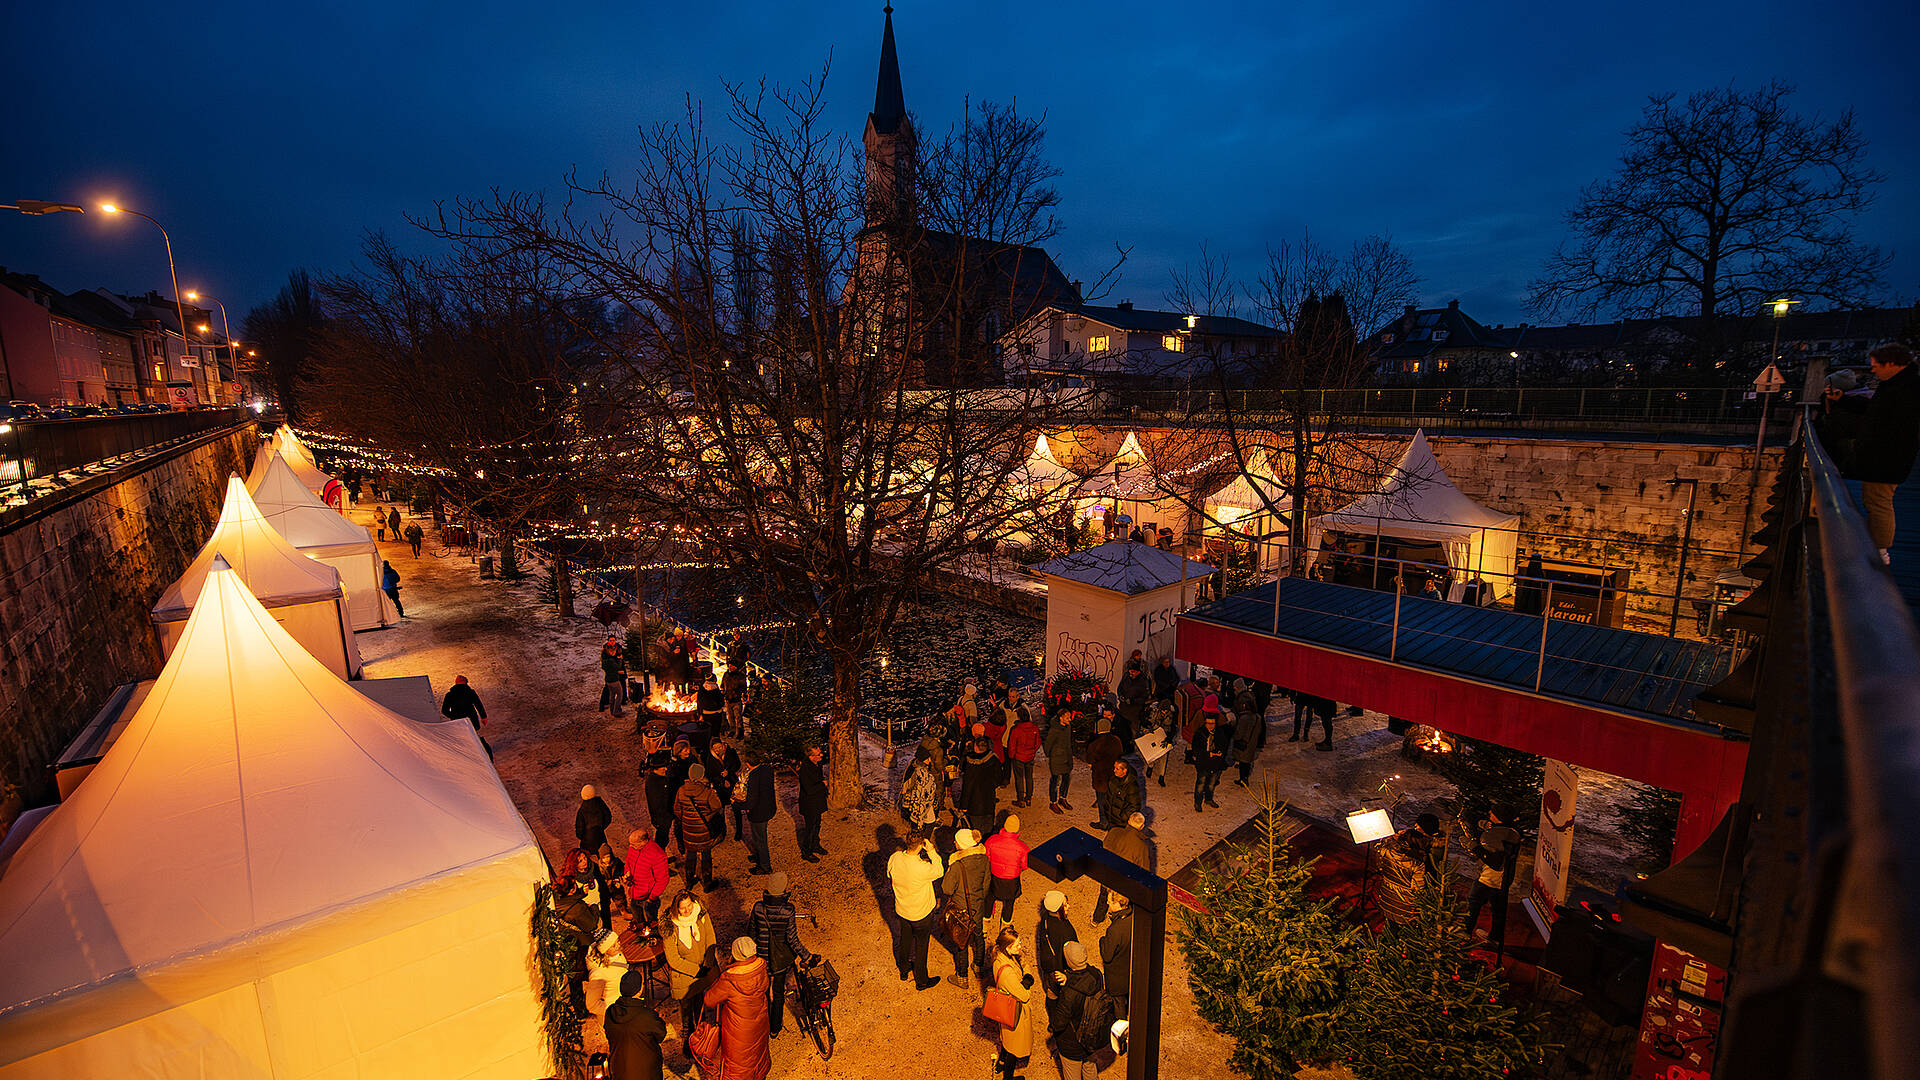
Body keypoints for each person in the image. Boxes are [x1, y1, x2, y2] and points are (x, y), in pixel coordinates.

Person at [1820, 342, 1920, 562]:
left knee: (1879, 502)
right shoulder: (1896, 385)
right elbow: (1875, 411)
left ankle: (1879, 552)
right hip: (1882, 457)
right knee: (1875, 501)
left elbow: (1897, 428)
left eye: (1876, 366)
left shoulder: (1907, 390)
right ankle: (1876, 547)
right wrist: (1843, 399)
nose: (1873, 370)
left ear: (1892, 363)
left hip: (1887, 459)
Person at [747, 873, 814, 1036]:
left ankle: (762, 1024)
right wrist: (806, 955)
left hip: (761, 959)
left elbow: (751, 934)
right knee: (778, 994)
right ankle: (775, 1027)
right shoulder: (788, 910)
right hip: (780, 961)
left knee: (762, 994)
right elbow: (792, 938)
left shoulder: (758, 907)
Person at [703, 938, 772, 1080]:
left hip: (738, 1031)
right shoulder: (761, 968)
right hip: (760, 1023)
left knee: (739, 1065)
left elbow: (709, 1000)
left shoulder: (729, 979)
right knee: (757, 1054)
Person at [887, 835, 945, 990]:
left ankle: (904, 970)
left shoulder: (895, 858)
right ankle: (921, 980)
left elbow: (889, 875)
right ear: (921, 845)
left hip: (902, 910)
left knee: (905, 939)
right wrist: (932, 851)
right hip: (921, 914)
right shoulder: (922, 867)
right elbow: (940, 871)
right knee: (921, 946)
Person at [1463, 806, 1522, 959]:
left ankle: (1464, 934)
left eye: (1492, 813)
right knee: (1498, 910)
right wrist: (1483, 824)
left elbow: (1495, 862)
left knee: (1473, 903)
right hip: (1505, 880)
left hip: (1489, 879)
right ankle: (1495, 938)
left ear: (1498, 817)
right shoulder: (1513, 832)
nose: (1489, 813)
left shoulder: (1492, 836)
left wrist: (1474, 847)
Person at [662, 891, 719, 1036]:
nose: (687, 910)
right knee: (686, 1009)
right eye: (683, 908)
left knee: (700, 1004)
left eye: (689, 906)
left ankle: (701, 1035)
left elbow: (710, 938)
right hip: (684, 977)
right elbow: (673, 959)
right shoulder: (671, 927)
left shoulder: (701, 915)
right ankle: (688, 1035)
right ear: (676, 909)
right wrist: (696, 970)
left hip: (702, 971)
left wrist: (708, 962)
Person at [941, 827, 992, 988]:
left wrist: (948, 872)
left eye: (956, 841)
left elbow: (947, 889)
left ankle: (962, 977)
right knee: (978, 936)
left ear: (962, 844)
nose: (954, 842)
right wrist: (978, 899)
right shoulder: (983, 859)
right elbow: (986, 884)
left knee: (961, 942)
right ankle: (978, 966)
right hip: (977, 906)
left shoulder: (957, 865)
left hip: (960, 910)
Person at [1050, 940, 1106, 1079]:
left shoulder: (1069, 993)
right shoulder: (1096, 974)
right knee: (1089, 1068)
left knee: (1072, 1074)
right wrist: (1069, 978)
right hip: (1093, 1036)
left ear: (1069, 962)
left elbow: (1059, 1023)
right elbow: (1083, 983)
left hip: (1072, 1045)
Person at [990, 925, 1038, 1080]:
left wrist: (1025, 973)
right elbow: (1024, 995)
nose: (1021, 946)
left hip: (1006, 1010)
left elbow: (1023, 961)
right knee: (1014, 1049)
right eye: (1017, 944)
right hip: (1015, 1013)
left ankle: (1001, 1063)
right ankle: (1008, 1077)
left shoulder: (1002, 956)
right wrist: (1028, 980)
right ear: (1008, 947)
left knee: (1007, 1041)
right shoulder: (1007, 973)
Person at [604, 966, 667, 1080]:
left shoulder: (610, 1012)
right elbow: (661, 1033)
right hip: (646, 1072)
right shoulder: (646, 1015)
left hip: (620, 1070)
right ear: (639, 990)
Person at [1093, 812, 1153, 923]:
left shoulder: (1114, 831)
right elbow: (1144, 869)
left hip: (1107, 874)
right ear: (1142, 826)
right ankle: (1117, 925)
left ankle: (1097, 919)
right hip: (1123, 881)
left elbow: (1103, 848)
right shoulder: (1142, 846)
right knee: (1120, 905)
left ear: (1129, 821)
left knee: (1103, 897)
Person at [674, 762, 723, 890]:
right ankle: (707, 882)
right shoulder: (706, 791)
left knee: (690, 854)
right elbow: (717, 806)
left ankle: (689, 881)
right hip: (704, 830)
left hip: (688, 830)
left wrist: (687, 820)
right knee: (706, 854)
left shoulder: (681, 790)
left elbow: (677, 810)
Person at [984, 814, 1030, 923]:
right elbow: (1025, 865)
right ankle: (1005, 924)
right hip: (1012, 880)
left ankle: (985, 922)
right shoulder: (1022, 847)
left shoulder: (992, 840)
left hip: (994, 876)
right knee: (1009, 902)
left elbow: (987, 857)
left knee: (990, 898)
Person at [1035, 891, 1078, 1002]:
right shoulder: (1066, 930)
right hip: (1060, 970)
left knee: (1051, 993)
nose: (1069, 906)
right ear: (1058, 909)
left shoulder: (1045, 918)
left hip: (1049, 967)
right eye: (1065, 905)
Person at [740, 754, 777, 876]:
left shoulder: (754, 776)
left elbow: (752, 799)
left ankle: (765, 866)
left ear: (748, 764)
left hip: (758, 812)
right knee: (758, 836)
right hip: (768, 808)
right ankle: (758, 856)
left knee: (760, 839)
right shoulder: (767, 769)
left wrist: (741, 805)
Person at [961, 724, 1000, 837]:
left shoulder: (970, 762)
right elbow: (999, 778)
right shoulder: (993, 759)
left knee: (975, 832)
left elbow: (967, 785)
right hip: (988, 801)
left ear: (976, 747)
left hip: (974, 804)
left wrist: (964, 805)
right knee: (988, 829)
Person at [625, 829, 670, 927]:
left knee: (652, 924)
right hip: (634, 893)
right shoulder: (634, 848)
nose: (630, 846)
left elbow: (663, 879)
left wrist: (652, 898)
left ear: (643, 842)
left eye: (633, 844)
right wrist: (627, 872)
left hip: (648, 898)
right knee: (638, 922)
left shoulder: (657, 854)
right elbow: (628, 861)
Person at [1100, 893, 1134, 1020]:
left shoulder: (1115, 930)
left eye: (1110, 902)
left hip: (1117, 978)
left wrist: (1102, 940)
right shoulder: (1132, 918)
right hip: (1129, 971)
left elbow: (1107, 955)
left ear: (1119, 905)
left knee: (1118, 1006)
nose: (1107, 903)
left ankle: (1122, 1034)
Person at [901, 737, 944, 836]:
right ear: (924, 759)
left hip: (914, 801)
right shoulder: (922, 773)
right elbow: (926, 790)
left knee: (917, 822)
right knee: (930, 822)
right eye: (928, 758)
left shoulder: (913, 765)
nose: (930, 760)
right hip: (922, 803)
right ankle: (923, 841)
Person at [703, 736, 743, 842]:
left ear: (722, 745)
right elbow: (710, 774)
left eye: (719, 747)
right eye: (715, 748)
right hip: (720, 787)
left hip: (732, 784)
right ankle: (722, 831)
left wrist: (728, 772)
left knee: (736, 808)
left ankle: (739, 831)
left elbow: (737, 765)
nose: (717, 750)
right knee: (721, 810)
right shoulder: (710, 758)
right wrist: (721, 780)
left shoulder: (731, 752)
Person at [1086, 718, 1123, 829]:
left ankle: (1104, 822)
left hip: (1101, 777)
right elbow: (1120, 754)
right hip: (1115, 775)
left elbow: (1089, 761)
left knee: (1102, 800)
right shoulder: (1116, 741)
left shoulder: (1095, 744)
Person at [1191, 709, 1231, 812]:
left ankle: (1208, 799)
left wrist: (1220, 753)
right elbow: (1196, 750)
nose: (1210, 725)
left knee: (1211, 784)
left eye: (1212, 723)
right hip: (1203, 764)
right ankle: (1198, 802)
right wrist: (1209, 754)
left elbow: (1224, 745)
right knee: (1201, 784)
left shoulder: (1220, 733)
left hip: (1216, 764)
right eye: (1208, 723)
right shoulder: (1199, 733)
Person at [440, 674, 489, 756]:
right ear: (465, 682)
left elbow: (444, 710)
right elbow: (478, 705)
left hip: (458, 721)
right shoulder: (470, 692)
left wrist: (454, 716)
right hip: (471, 719)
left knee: (462, 737)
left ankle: (466, 754)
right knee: (473, 737)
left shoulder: (449, 695)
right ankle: (479, 753)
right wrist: (483, 717)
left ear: (456, 683)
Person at [796, 744, 828, 861]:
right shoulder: (805, 769)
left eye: (821, 752)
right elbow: (809, 789)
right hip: (809, 804)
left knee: (817, 824)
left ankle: (815, 845)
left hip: (817, 801)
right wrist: (823, 784)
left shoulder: (816, 764)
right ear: (811, 757)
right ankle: (806, 851)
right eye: (818, 754)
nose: (821, 755)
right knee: (810, 828)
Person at [1006, 707, 1041, 809]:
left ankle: (1020, 799)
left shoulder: (1016, 730)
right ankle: (1029, 797)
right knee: (1029, 777)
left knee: (1019, 778)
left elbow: (1012, 745)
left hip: (1019, 757)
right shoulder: (1034, 728)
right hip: (1030, 756)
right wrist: (1033, 751)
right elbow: (1038, 742)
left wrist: (1011, 756)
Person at [1043, 707, 1075, 815]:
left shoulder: (1068, 727)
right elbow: (1047, 745)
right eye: (1067, 717)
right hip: (1057, 759)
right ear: (1061, 718)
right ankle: (1053, 802)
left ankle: (1062, 798)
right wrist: (1051, 754)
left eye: (1069, 717)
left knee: (1066, 778)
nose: (1069, 719)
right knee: (1055, 781)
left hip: (1066, 757)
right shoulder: (1054, 730)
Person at [1098, 759, 1142, 837]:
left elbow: (1135, 806)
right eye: (1114, 768)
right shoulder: (1113, 777)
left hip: (1121, 823)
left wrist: (1122, 817)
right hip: (1111, 818)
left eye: (1117, 769)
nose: (1114, 770)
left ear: (1124, 771)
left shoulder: (1131, 786)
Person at [643, 753, 676, 853]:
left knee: (663, 838)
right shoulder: (653, 783)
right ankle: (658, 857)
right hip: (661, 818)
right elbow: (656, 803)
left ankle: (660, 856)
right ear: (656, 769)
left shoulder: (660, 778)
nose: (666, 769)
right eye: (663, 767)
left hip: (664, 817)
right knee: (661, 840)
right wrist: (667, 816)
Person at [593, 844, 629, 928]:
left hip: (616, 886)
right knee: (604, 901)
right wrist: (605, 882)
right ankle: (603, 914)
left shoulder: (616, 862)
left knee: (620, 898)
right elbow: (599, 878)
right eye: (604, 858)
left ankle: (623, 911)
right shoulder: (599, 867)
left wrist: (620, 878)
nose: (607, 859)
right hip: (606, 887)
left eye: (608, 857)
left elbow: (621, 870)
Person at [1231, 694, 1263, 786]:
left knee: (1243, 763)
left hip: (1243, 744)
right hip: (1252, 744)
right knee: (1247, 762)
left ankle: (1243, 780)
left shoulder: (1244, 718)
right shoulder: (1257, 717)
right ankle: (1244, 778)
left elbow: (1239, 734)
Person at [577, 784, 614, 858]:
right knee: (602, 854)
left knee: (585, 856)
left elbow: (579, 826)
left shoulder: (582, 810)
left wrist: (581, 836)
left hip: (587, 839)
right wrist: (601, 827)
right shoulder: (600, 804)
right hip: (600, 835)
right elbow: (608, 817)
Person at [600, 635, 629, 717]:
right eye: (610, 640)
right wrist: (617, 663)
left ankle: (623, 701)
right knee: (610, 690)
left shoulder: (619, 648)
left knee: (622, 685)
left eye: (613, 640)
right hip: (612, 672)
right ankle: (605, 705)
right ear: (608, 641)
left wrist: (622, 660)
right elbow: (606, 663)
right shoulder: (605, 651)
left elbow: (624, 657)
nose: (612, 642)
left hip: (619, 671)